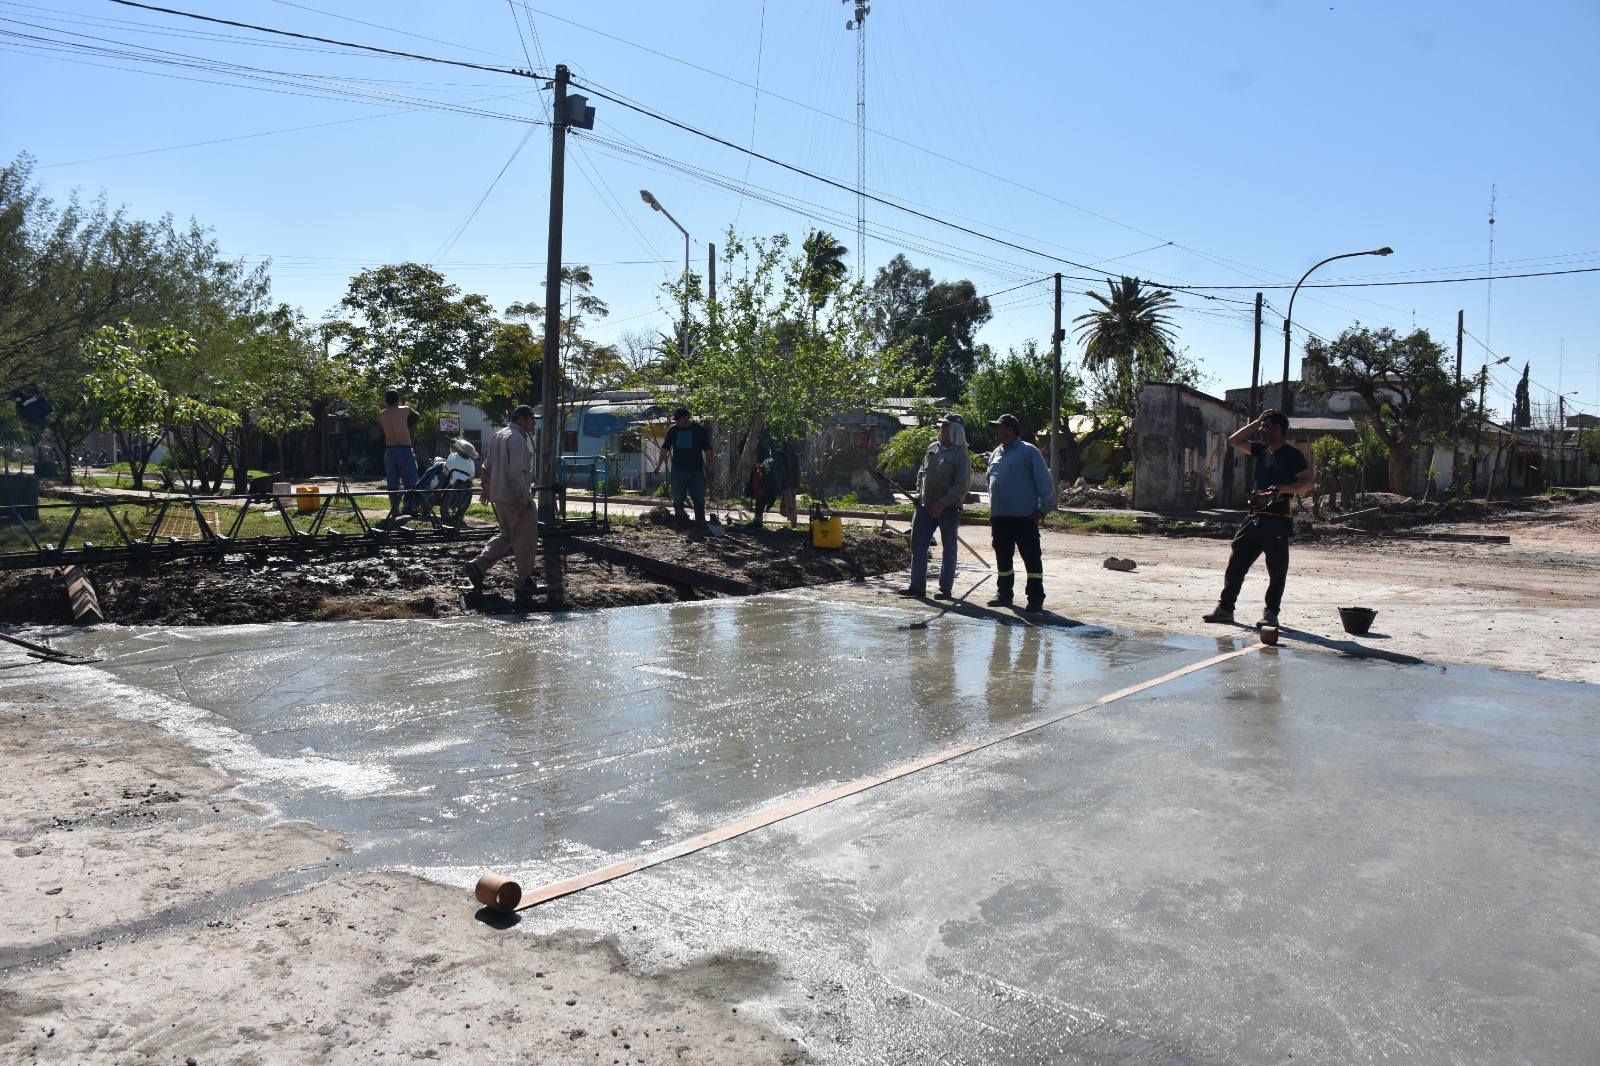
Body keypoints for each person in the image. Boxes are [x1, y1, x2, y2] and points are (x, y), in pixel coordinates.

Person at [1203, 409, 1313, 628]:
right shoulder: (1261, 450)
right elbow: (1234, 440)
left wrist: (1283, 488)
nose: (1261, 430)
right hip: (1253, 517)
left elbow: (1307, 483)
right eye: (1261, 426)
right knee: (1236, 565)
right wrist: (1257, 421)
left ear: (1278, 429)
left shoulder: (1293, 455)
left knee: (1276, 570)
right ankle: (1225, 609)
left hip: (1277, 519)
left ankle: (1271, 613)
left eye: (1266, 426)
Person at [467, 405, 540, 607]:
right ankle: (523, 581)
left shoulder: (499, 435)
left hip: (501, 498)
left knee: (507, 535)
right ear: (522, 419)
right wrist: (525, 498)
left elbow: (487, 465)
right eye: (532, 419)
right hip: (516, 498)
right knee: (526, 540)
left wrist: (487, 487)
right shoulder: (516, 439)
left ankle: (479, 566)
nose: (534, 423)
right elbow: (516, 473)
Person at [896, 413, 971, 600]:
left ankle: (945, 589)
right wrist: (917, 493)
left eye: (945, 426)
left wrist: (943, 503)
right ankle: (916, 586)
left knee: (949, 547)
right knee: (917, 545)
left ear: (954, 430)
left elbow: (961, 486)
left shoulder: (961, 454)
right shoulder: (933, 448)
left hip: (949, 508)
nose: (941, 429)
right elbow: (922, 473)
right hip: (924, 506)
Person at [984, 413, 1054, 612]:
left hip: (1024, 516)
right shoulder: (996, 453)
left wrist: (1044, 508)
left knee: (1031, 558)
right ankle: (1004, 594)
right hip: (1000, 516)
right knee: (1003, 557)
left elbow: (1045, 482)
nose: (995, 431)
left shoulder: (1028, 451)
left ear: (1010, 429)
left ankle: (1035, 598)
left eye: (999, 427)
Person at [653, 407, 714, 525]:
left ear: (685, 418)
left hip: (696, 470)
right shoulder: (673, 430)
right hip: (678, 470)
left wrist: (711, 466)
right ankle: (680, 522)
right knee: (677, 498)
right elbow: (665, 448)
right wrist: (658, 466)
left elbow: (708, 449)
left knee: (699, 498)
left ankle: (700, 523)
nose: (676, 422)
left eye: (678, 420)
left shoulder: (699, 430)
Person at [378, 389, 418, 521]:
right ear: (398, 400)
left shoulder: (382, 414)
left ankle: (394, 510)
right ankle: (408, 507)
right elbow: (416, 416)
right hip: (404, 448)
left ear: (385, 401)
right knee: (410, 481)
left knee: (392, 483)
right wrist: (405, 426)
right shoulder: (405, 410)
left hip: (389, 450)